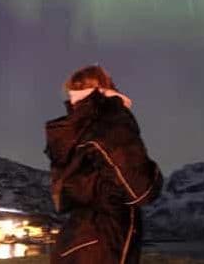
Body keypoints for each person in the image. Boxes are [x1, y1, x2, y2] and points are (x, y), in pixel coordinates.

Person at [45, 64, 163, 264]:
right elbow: (141, 190)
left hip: (73, 242)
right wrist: (157, 176)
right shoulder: (109, 118)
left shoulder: (73, 130)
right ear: (107, 87)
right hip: (104, 242)